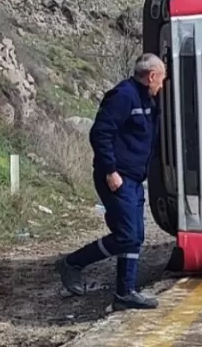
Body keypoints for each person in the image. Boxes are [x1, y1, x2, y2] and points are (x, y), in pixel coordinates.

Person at [55, 53, 165, 310]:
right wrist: (110, 170)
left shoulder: (148, 100)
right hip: (118, 178)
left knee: (135, 236)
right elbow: (100, 133)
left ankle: (125, 294)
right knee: (127, 235)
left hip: (134, 179)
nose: (162, 84)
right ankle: (72, 263)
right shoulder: (124, 96)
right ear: (151, 76)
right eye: (162, 79)